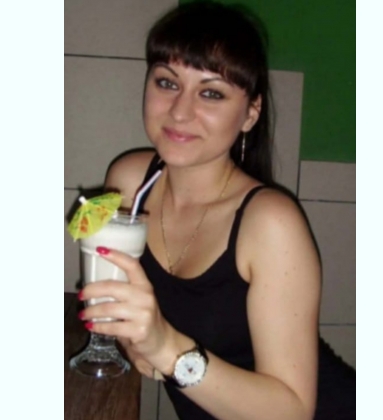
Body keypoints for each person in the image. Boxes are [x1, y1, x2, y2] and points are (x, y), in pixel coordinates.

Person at [78, 2, 322, 419]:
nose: (180, 111)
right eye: (167, 82)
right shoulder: (128, 180)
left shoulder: (271, 223)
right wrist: (130, 342)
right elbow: (118, 302)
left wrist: (166, 347)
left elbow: (293, 411)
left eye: (211, 93)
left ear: (250, 114)